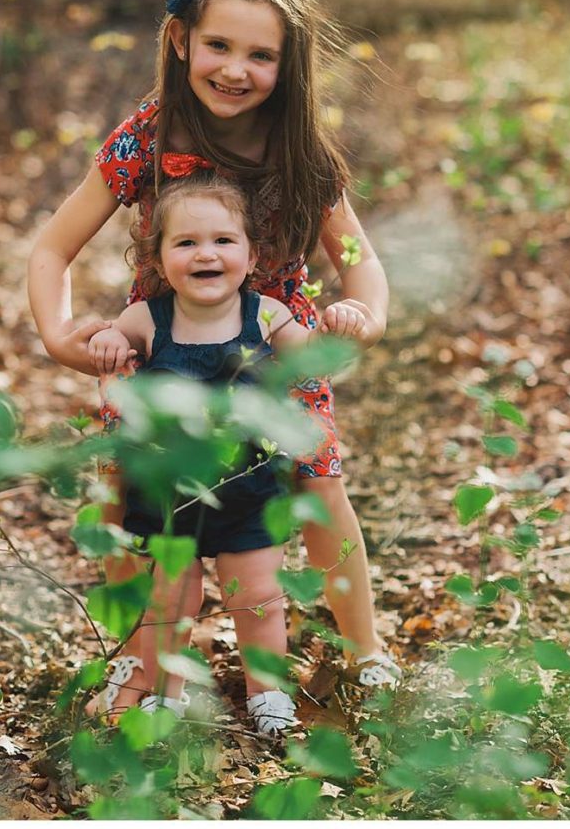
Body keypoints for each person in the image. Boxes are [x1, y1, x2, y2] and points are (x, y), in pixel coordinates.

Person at [27, 0, 401, 707]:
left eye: (261, 55)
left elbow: (358, 259)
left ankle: (363, 645)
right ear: (181, 40)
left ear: (288, 65)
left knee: (320, 483)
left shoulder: (302, 154)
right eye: (220, 45)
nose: (236, 68)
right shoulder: (149, 138)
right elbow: (53, 246)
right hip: (162, 348)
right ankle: (140, 658)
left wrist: (364, 310)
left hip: (274, 352)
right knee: (131, 494)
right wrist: (60, 332)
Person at [84, 167, 367, 734]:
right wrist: (108, 340)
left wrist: (341, 327)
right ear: (158, 258)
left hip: (250, 488)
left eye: (222, 240)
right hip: (167, 490)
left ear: (250, 253)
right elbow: (112, 347)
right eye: (185, 242)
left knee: (259, 596)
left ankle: (268, 694)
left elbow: (311, 359)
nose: (205, 254)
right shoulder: (147, 318)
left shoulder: (266, 314)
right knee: (169, 597)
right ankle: (167, 692)